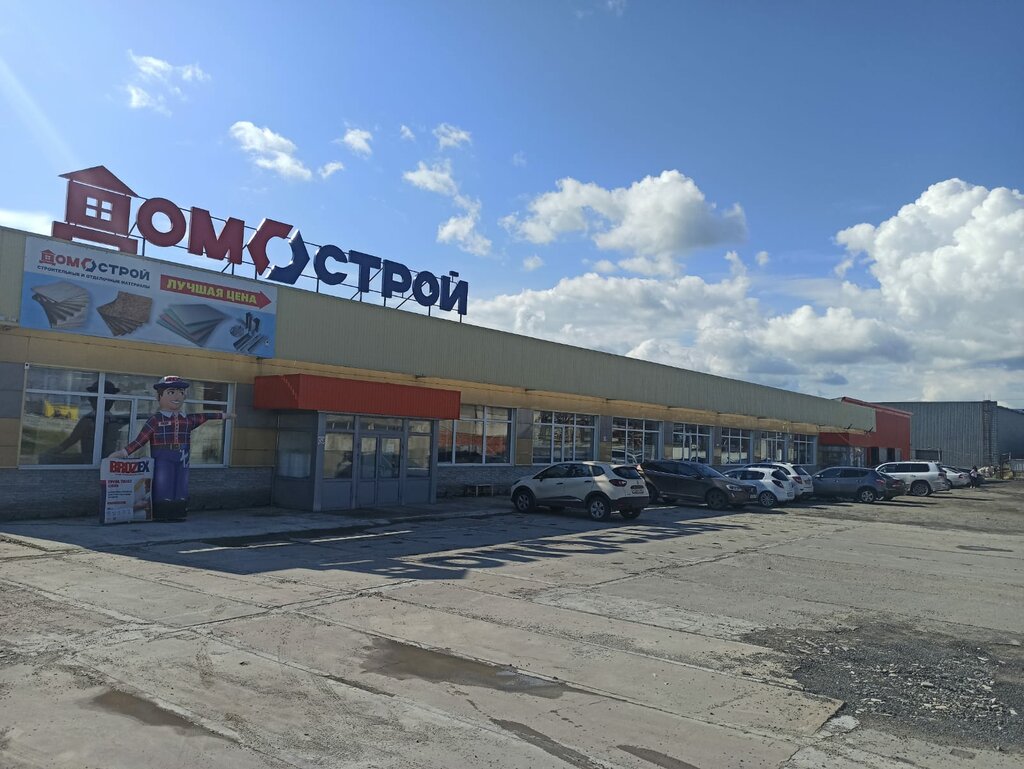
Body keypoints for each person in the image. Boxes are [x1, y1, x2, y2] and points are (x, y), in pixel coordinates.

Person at [109, 376, 233, 522]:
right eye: (171, 392)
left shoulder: (186, 419)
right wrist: (123, 453)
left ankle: (179, 511)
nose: (177, 396)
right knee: (163, 484)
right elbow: (141, 440)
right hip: (163, 457)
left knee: (181, 484)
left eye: (181, 392)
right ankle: (163, 513)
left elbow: (205, 416)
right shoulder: (156, 420)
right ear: (159, 396)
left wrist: (225, 415)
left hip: (183, 455)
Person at [45, 380, 125, 463]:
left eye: (92, 397)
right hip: (105, 464)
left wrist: (50, 453)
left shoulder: (90, 419)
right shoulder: (114, 421)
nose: (90, 399)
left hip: (94, 464)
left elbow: (70, 441)